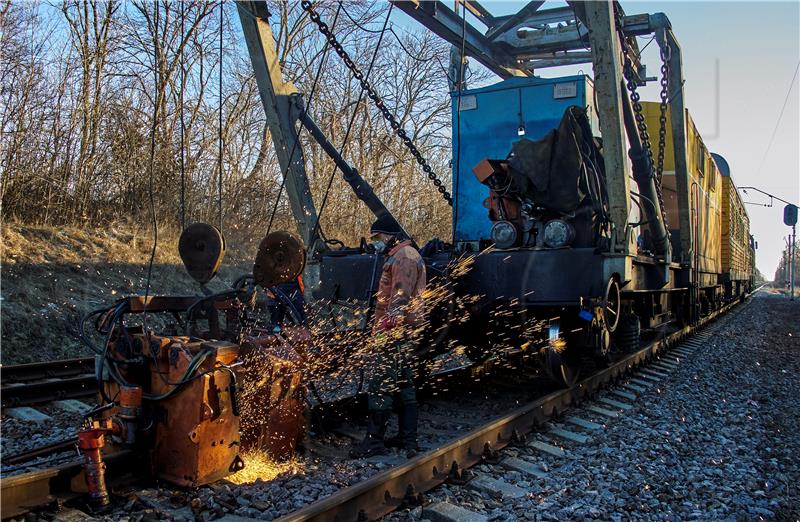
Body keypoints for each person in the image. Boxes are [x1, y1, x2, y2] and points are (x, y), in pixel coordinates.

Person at [350, 215, 427, 458]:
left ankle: (374, 443)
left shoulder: (404, 257)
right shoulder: (403, 255)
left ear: (390, 235)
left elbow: (400, 297)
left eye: (378, 237)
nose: (375, 241)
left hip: (394, 331)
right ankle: (408, 439)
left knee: (381, 383)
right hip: (403, 331)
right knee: (404, 382)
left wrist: (383, 333)